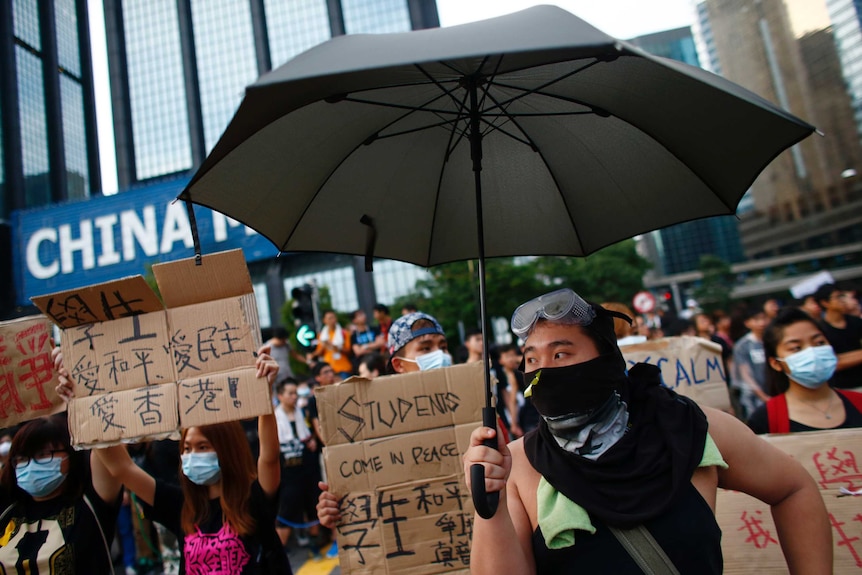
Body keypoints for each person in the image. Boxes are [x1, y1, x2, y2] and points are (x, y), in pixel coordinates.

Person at [462, 288, 831, 574]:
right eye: (531, 359)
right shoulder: (519, 465)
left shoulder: (687, 429)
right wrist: (488, 503)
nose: (544, 371)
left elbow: (793, 488)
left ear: (607, 359)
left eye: (561, 355)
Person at [56, 345, 291, 575]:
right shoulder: (180, 504)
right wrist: (82, 401)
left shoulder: (253, 498)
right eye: (187, 448)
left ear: (226, 450)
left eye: (202, 447)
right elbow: (121, 467)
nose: (191, 456)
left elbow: (268, 457)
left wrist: (264, 393)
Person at [0, 411, 122, 573]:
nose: (31, 465)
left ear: (71, 455)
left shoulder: (89, 503)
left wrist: (80, 400)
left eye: (43, 455)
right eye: (22, 459)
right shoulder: (7, 511)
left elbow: (105, 433)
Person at [748, 308, 862, 434]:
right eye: (796, 348)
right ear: (776, 363)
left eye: (819, 343)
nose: (812, 352)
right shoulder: (765, 420)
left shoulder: (858, 403)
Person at [273, 378, 322, 556]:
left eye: (296, 393)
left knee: (313, 506)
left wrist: (312, 442)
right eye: (290, 393)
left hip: (307, 469)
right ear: (280, 396)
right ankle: (278, 553)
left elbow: (311, 436)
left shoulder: (302, 413)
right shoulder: (273, 418)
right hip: (287, 473)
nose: (294, 397)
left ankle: (314, 544)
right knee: (287, 511)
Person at [815, 283, 862, 391]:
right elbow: (833, 362)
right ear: (825, 303)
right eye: (838, 297)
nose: (842, 300)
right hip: (843, 387)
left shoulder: (856, 322)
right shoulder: (820, 329)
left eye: (843, 296)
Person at [731, 307, 771, 420]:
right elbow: (745, 375)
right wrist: (764, 397)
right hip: (754, 399)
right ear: (747, 323)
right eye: (756, 319)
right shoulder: (743, 346)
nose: (761, 323)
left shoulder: (772, 340)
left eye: (764, 318)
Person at [314, 310, 352, 379]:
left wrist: (334, 346)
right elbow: (318, 353)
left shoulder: (344, 333)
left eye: (333, 317)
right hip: (328, 369)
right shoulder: (321, 336)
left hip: (342, 368)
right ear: (324, 320)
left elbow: (348, 351)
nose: (332, 320)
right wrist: (324, 345)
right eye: (329, 318)